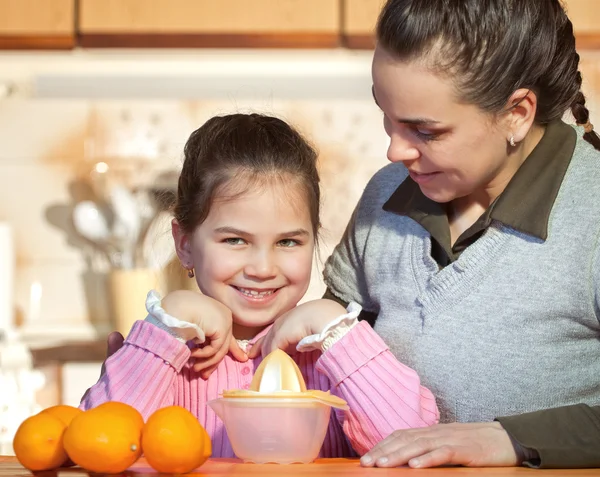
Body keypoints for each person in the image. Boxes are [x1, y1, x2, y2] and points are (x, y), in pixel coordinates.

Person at [316, 0, 600, 470]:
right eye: (385, 114)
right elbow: (329, 354)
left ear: (517, 114)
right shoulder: (386, 197)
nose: (394, 150)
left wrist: (510, 439)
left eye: (425, 130)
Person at [81, 113, 439, 458]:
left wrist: (335, 329)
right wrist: (169, 324)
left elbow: (414, 442)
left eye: (287, 242)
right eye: (235, 240)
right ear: (185, 245)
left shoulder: (333, 353)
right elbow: (96, 444)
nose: (263, 268)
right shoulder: (166, 348)